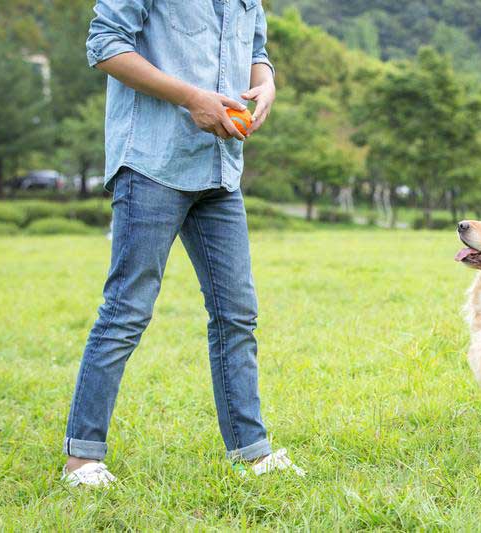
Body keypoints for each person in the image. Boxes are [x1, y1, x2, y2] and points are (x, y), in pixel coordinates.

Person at [61, 0, 303, 487]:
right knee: (127, 310)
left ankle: (250, 452)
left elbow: (256, 48)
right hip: (152, 161)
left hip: (219, 168)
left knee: (237, 313)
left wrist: (267, 80)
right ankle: (82, 458)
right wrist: (191, 96)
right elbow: (105, 45)